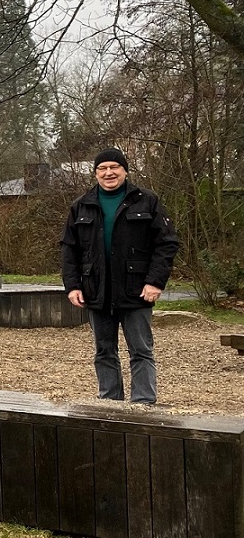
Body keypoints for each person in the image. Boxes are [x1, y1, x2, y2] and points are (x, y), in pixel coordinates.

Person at [61, 147, 178, 405]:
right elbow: (69, 250)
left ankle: (143, 404)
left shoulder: (147, 201)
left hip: (136, 291)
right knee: (104, 352)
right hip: (97, 292)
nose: (109, 173)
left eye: (114, 167)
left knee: (141, 351)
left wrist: (155, 281)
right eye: (102, 168)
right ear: (95, 174)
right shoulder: (81, 206)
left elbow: (167, 243)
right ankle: (110, 404)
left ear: (125, 171)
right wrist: (72, 286)